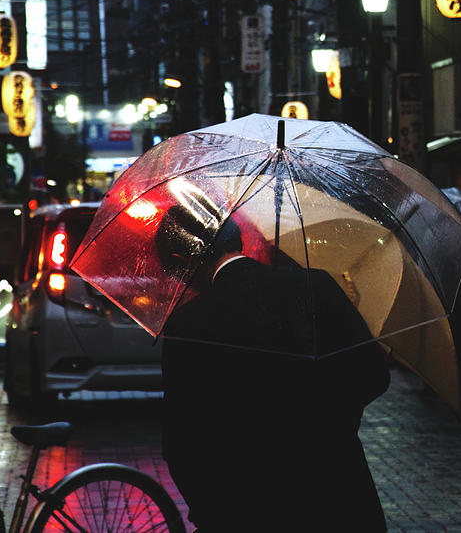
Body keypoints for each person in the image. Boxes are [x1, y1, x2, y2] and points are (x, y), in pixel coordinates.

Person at [159, 210, 391, 532]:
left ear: (182, 258)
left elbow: (181, 438)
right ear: (237, 238)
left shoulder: (188, 324)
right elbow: (373, 377)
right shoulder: (316, 287)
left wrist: (210, 510)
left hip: (244, 509)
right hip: (337, 498)